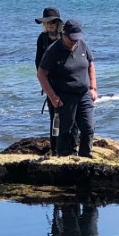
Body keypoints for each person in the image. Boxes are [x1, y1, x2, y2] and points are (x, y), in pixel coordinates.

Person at [37, 18, 97, 157]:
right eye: (71, 39)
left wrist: (93, 88)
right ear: (63, 34)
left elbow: (90, 65)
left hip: (83, 93)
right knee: (65, 130)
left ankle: (85, 158)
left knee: (88, 127)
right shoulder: (53, 51)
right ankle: (63, 158)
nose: (74, 42)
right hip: (64, 96)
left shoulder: (82, 44)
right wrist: (53, 97)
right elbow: (41, 74)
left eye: (76, 38)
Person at [34, 7, 64, 141]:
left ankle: (71, 147)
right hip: (50, 83)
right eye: (47, 23)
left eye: (52, 22)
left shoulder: (66, 37)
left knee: (70, 116)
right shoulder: (42, 38)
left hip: (67, 81)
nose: (49, 25)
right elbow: (38, 62)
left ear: (58, 23)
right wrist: (45, 83)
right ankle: (55, 149)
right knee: (54, 116)